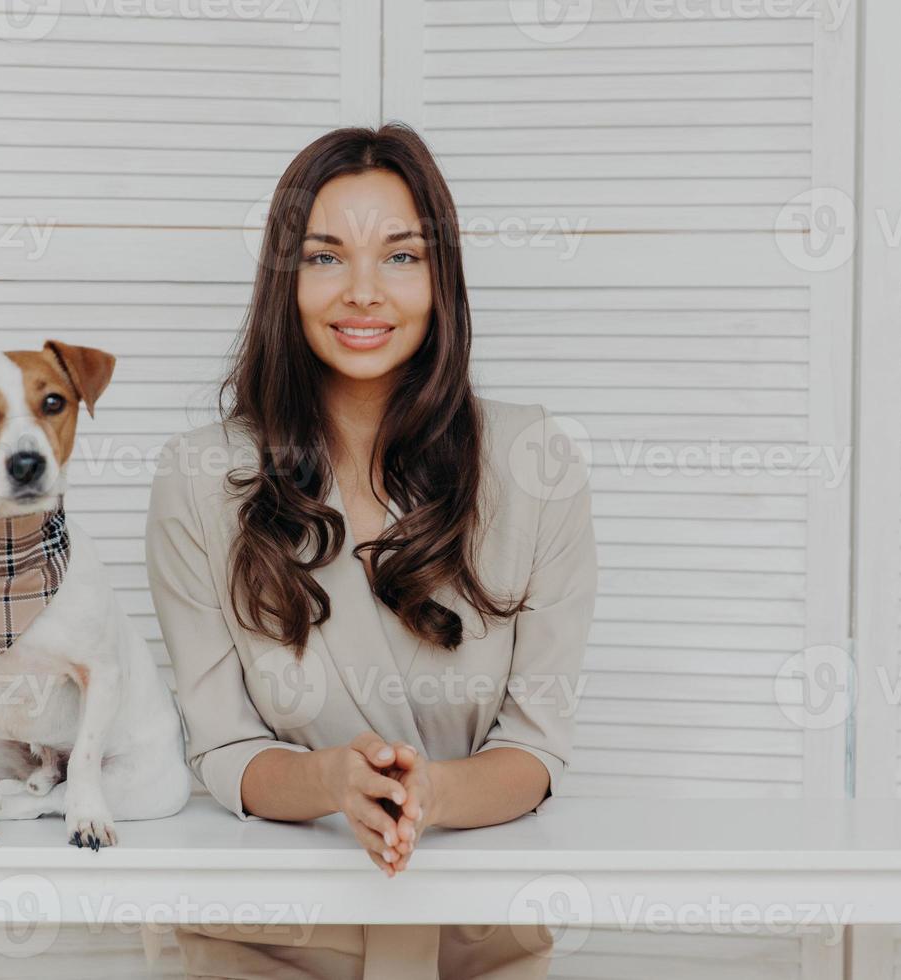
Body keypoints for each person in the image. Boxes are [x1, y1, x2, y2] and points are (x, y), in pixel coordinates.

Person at [145, 123, 597, 980]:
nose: (362, 292)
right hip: (264, 940)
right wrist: (330, 783)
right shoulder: (201, 478)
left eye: (400, 256)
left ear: (442, 278)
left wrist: (427, 794)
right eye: (323, 257)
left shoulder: (534, 462)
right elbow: (224, 754)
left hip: (479, 938)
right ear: (285, 281)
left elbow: (537, 748)